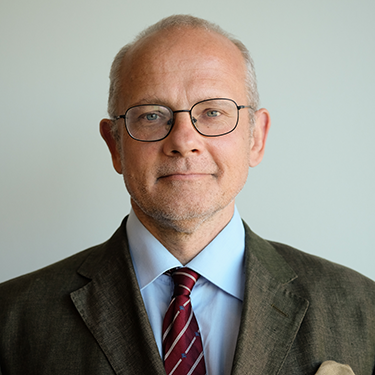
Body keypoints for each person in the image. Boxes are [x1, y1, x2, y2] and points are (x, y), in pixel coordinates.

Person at [0, 14, 374, 375]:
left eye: (213, 112)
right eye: (151, 115)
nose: (183, 141)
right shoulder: (12, 319)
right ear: (115, 144)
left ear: (256, 138)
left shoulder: (363, 308)